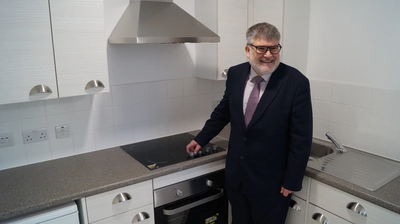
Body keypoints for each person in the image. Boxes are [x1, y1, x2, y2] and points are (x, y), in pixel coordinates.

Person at [186, 22, 313, 223]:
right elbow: (223, 112)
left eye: (274, 48)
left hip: (272, 184)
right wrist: (202, 138)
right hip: (237, 177)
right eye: (261, 48)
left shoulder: (296, 83)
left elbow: (302, 138)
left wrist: (292, 180)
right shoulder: (235, 74)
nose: (269, 55)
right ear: (248, 49)